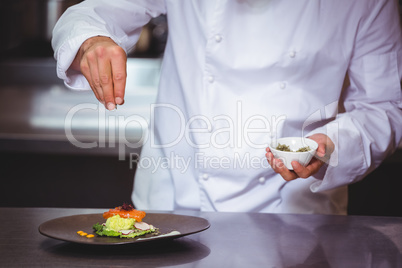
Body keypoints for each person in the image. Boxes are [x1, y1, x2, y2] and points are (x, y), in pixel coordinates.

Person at [52, 0, 402, 214]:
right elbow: (89, 13)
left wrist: (333, 144)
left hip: (295, 217)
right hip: (176, 205)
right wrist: (92, 39)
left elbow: (384, 107)